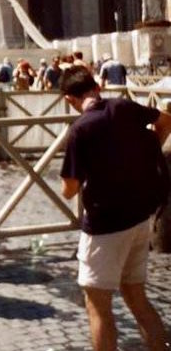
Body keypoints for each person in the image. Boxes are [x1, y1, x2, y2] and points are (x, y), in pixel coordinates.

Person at [59, 65, 171, 351]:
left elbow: (69, 188)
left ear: (69, 100)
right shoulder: (124, 106)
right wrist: (146, 152)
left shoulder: (80, 129)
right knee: (137, 298)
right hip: (138, 220)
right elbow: (166, 121)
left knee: (98, 307)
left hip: (105, 227)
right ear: (96, 87)